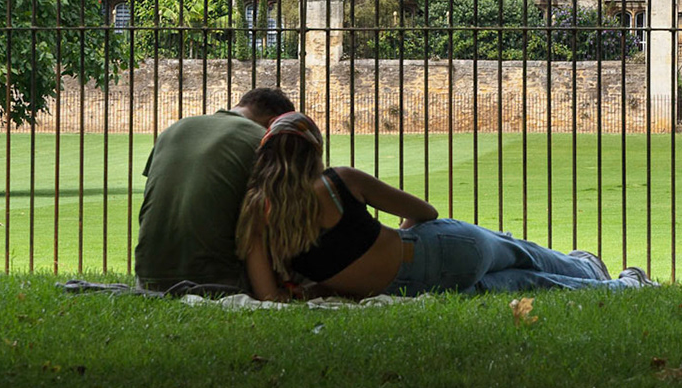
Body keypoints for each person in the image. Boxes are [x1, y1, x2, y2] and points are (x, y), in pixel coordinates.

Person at [236, 112, 655, 300]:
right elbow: (425, 212)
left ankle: (620, 287)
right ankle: (589, 266)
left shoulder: (257, 213)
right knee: (518, 253)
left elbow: (268, 294)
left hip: (407, 288)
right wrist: (396, 235)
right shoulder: (339, 182)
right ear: (313, 153)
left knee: (528, 283)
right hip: (436, 250)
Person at [135, 87, 297, 294]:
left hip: (148, 276)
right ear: (273, 122)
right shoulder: (263, 140)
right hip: (216, 279)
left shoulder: (175, 129)